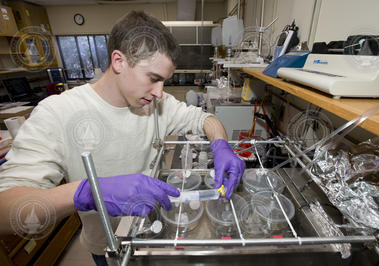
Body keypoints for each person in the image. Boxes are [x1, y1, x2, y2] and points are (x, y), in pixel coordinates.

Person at [0, 10, 245, 265]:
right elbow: (5, 209)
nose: (160, 92)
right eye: (153, 78)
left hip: (152, 236)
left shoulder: (157, 104)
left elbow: (206, 119)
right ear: (119, 61)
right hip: (109, 248)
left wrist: (220, 144)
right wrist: (89, 192)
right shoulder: (57, 113)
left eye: (164, 81)